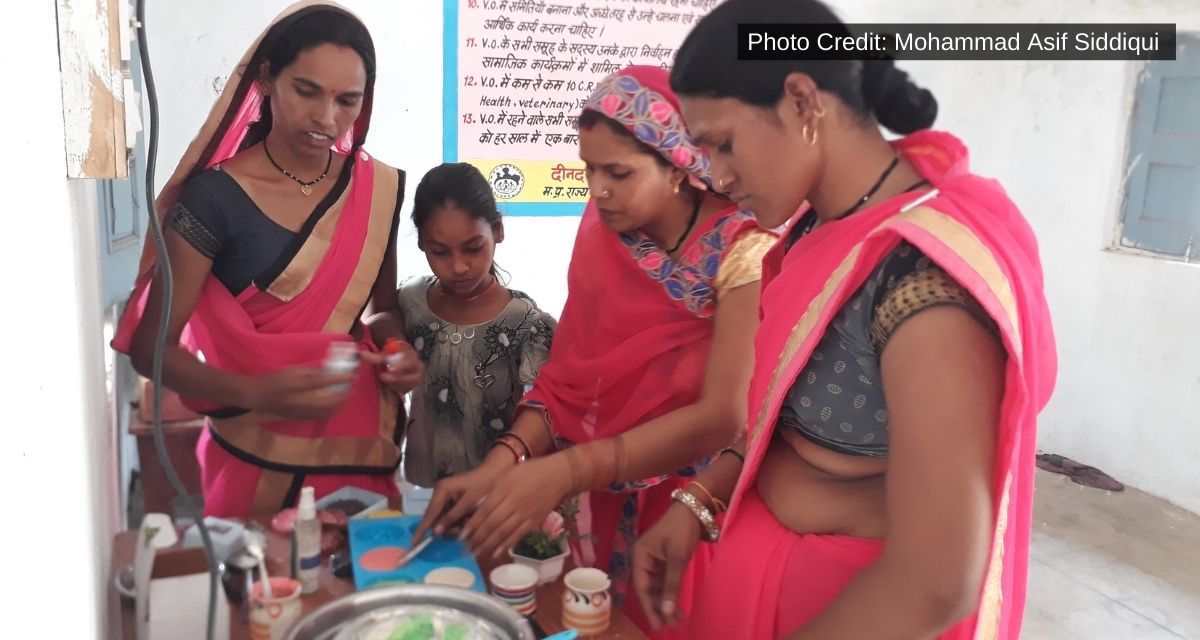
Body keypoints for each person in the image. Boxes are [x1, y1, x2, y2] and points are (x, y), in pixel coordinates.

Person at [630, 2, 1058, 638]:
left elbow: (935, 579)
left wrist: (827, 497)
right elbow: (778, 413)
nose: (717, 176)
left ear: (802, 102)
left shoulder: (920, 280)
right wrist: (700, 500)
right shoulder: (814, 229)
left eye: (724, 143)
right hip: (758, 580)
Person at [414, 66, 776, 637]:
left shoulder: (742, 252)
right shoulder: (608, 229)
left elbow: (722, 417)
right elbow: (570, 377)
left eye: (619, 172)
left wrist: (568, 469)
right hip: (596, 501)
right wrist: (502, 464)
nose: (597, 189)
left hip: (686, 509)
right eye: (588, 169)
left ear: (678, 165)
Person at [112, 2, 423, 517]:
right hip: (251, 456)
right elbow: (151, 350)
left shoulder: (375, 190)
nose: (327, 119)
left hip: (355, 452)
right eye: (306, 91)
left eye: (348, 100)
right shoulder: (213, 200)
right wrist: (257, 391)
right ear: (265, 79)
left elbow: (379, 308)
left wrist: (395, 346)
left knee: (362, 579)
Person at [397, 162, 556, 487]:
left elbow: (545, 415)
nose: (458, 266)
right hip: (423, 489)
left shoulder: (526, 324)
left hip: (496, 496)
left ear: (497, 229)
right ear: (421, 242)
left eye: (473, 248)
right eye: (439, 251)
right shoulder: (409, 304)